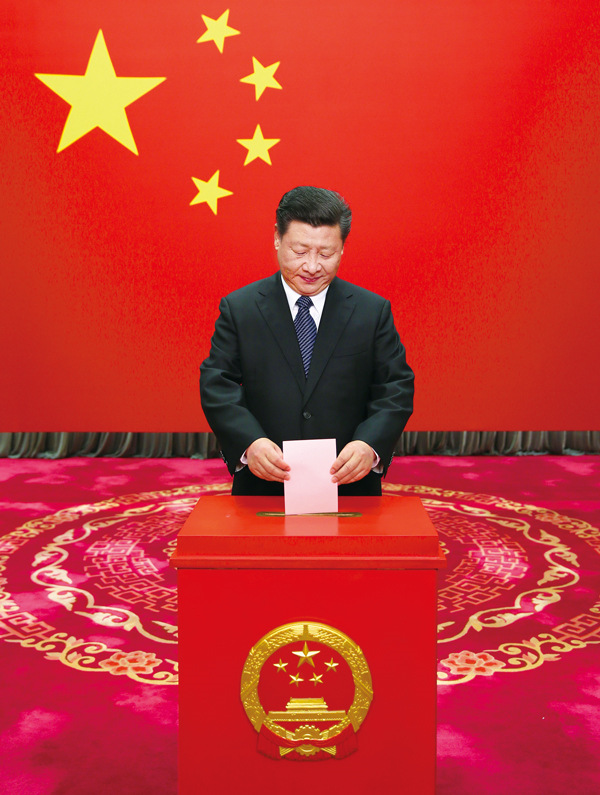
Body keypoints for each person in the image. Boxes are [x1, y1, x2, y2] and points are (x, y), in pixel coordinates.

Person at [200, 186, 414, 496]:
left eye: (326, 254)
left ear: (343, 248)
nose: (312, 267)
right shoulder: (240, 308)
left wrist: (369, 445)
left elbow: (395, 387)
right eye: (300, 252)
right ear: (277, 238)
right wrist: (249, 442)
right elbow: (218, 384)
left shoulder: (371, 311)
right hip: (263, 483)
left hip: (349, 483)